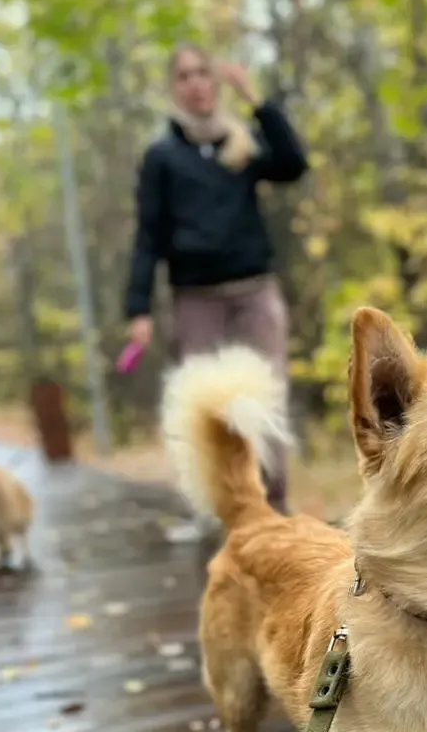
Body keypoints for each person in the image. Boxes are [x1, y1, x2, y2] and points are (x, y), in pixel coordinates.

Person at [124, 45, 308, 513]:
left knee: (265, 401)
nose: (197, 83)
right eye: (184, 76)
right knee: (208, 412)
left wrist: (254, 98)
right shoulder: (161, 157)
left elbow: (293, 162)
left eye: (204, 72)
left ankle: (275, 510)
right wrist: (138, 308)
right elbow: (148, 235)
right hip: (196, 301)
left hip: (254, 293)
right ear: (175, 88)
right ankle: (226, 513)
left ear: (217, 81)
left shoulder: (240, 144)